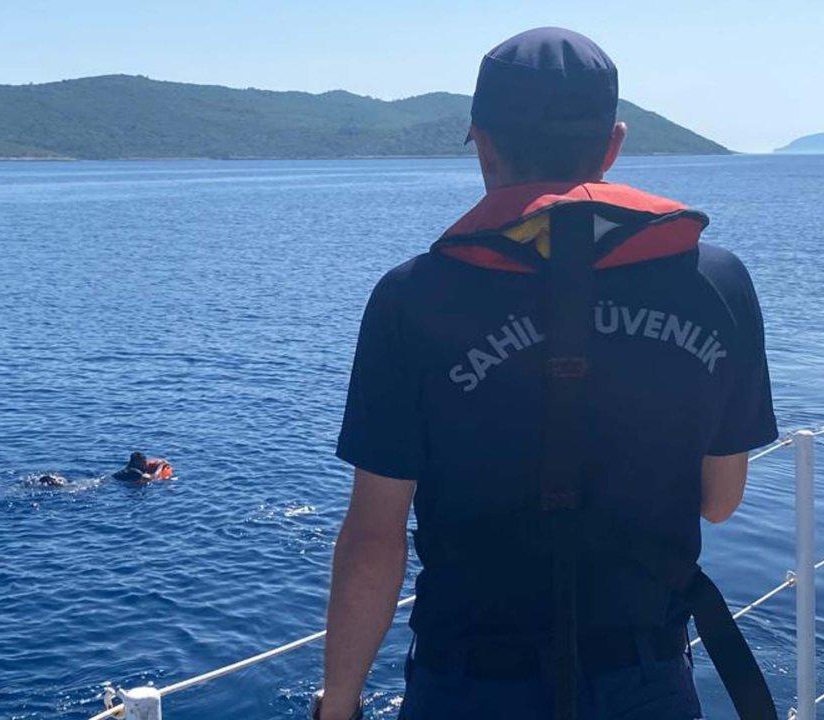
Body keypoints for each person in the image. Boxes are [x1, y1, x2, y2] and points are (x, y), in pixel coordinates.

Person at [316, 27, 777, 720]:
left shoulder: (412, 299)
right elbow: (720, 500)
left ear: (483, 142)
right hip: (645, 678)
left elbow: (374, 535)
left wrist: (341, 702)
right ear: (613, 143)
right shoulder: (717, 281)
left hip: (470, 685)